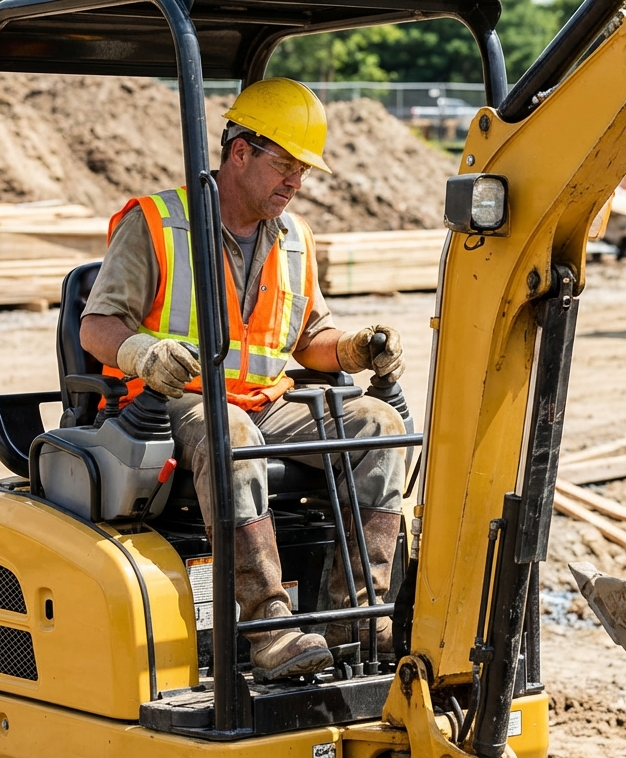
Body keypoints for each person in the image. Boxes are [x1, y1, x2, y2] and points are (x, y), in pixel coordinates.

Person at [79, 78, 406, 681]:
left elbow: (309, 340)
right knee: (233, 435)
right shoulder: (155, 224)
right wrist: (144, 354)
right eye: (283, 164)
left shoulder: (295, 240)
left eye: (302, 171)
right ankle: (269, 625)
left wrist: (357, 349)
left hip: (265, 403)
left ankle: (357, 617)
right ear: (239, 153)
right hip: (173, 404)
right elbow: (97, 325)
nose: (294, 182)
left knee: (382, 427)